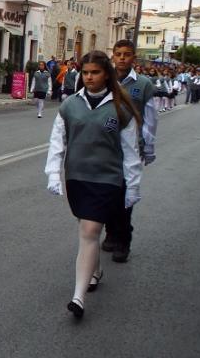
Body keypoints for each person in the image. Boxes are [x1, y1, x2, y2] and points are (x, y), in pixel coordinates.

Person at [44, 50, 143, 319]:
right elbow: (57, 143)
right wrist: (53, 174)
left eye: (95, 72)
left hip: (107, 179)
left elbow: (131, 152)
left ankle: (78, 296)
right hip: (77, 178)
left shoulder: (120, 108)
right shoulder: (70, 105)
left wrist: (133, 187)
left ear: (106, 75)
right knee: (87, 228)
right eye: (85, 72)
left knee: (90, 229)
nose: (89, 77)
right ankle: (95, 270)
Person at [103, 39, 157, 263]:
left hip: (132, 146)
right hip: (107, 145)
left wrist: (149, 147)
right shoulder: (105, 80)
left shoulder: (143, 84)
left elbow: (150, 118)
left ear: (134, 57)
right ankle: (111, 231)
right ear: (113, 56)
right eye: (118, 54)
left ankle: (123, 239)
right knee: (107, 191)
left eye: (127, 54)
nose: (122, 58)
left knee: (125, 192)